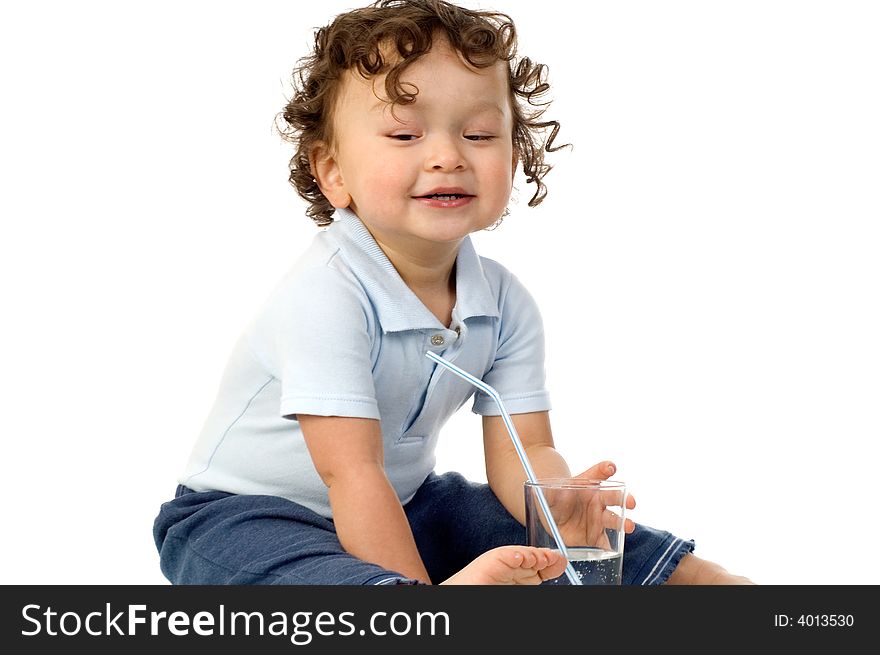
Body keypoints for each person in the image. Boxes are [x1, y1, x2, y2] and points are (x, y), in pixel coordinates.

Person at [153, 0, 752, 586]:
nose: (447, 157)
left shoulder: (503, 302)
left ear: (516, 152)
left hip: (406, 502)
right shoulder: (324, 297)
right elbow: (353, 474)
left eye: (479, 133)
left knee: (501, 519)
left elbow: (527, 451)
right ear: (332, 171)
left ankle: (701, 584)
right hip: (243, 515)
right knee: (313, 579)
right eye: (405, 134)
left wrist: (559, 509)